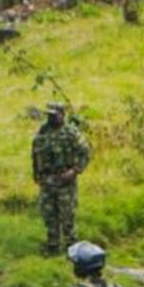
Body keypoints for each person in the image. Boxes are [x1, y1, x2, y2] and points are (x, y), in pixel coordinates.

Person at [31, 102, 91, 256]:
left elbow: (85, 153)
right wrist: (36, 174)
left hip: (65, 181)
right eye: (49, 115)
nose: (51, 118)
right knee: (49, 215)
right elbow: (35, 154)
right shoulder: (42, 132)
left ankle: (72, 249)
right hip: (47, 181)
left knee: (67, 216)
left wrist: (74, 171)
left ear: (62, 115)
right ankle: (52, 246)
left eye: (54, 115)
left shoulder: (71, 133)